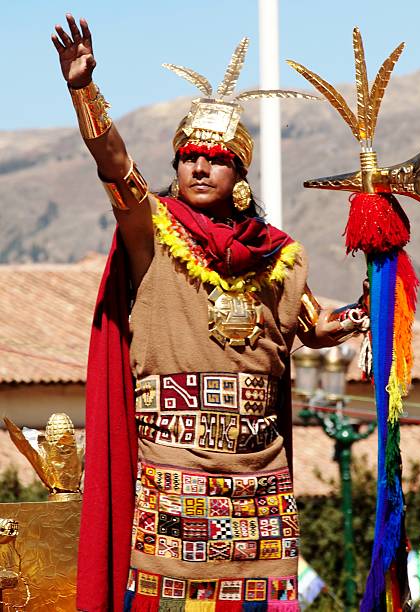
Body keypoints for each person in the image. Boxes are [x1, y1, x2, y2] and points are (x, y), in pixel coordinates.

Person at [52, 15, 368, 612]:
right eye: (188, 158)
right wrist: (83, 89)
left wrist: (364, 310)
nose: (199, 168)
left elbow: (315, 329)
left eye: (216, 159)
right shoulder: (154, 233)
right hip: (173, 477)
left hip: (260, 482)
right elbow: (115, 165)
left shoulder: (279, 255)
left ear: (240, 175)